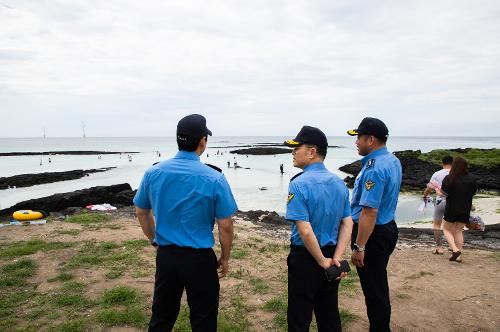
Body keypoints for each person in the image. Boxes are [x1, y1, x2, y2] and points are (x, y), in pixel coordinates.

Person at [133, 114, 238, 332]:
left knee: (161, 317)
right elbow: (225, 225)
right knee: (204, 319)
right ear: (202, 141)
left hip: (167, 256)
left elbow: (142, 212)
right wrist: (225, 258)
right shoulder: (214, 177)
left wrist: (154, 240)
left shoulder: (154, 172)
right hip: (200, 259)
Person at [284, 126, 353, 332]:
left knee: (299, 314)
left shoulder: (298, 184)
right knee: (329, 312)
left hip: (306, 257)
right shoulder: (339, 183)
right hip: (332, 255)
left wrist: (322, 261)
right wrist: (336, 258)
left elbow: (304, 231)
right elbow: (347, 222)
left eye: (297, 148)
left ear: (312, 152)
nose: (293, 152)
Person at [347, 117, 402, 332]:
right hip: (388, 226)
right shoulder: (392, 160)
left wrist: (359, 247)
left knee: (374, 288)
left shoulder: (374, 168)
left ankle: (380, 328)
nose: (356, 142)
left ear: (371, 139)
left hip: (373, 234)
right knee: (378, 282)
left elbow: (369, 211)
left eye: (358, 137)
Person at [441, 157, 477, 262]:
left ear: (453, 166)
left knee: (446, 229)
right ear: (466, 166)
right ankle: (459, 255)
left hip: (451, 207)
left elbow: (444, 193)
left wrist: (439, 192)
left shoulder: (449, 178)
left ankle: (455, 250)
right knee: (459, 231)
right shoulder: (472, 178)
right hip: (465, 208)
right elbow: (473, 193)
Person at [423, 156, 453, 254]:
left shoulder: (437, 174)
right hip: (454, 202)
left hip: (440, 202)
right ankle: (453, 247)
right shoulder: (457, 173)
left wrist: (425, 196)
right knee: (453, 225)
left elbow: (429, 188)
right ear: (452, 163)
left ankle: (439, 248)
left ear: (442, 163)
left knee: (437, 224)